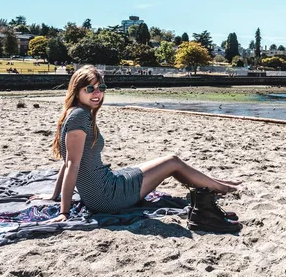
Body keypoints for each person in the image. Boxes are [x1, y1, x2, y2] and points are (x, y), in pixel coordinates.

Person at [37, 65, 240, 223]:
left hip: (105, 185)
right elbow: (72, 164)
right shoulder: (80, 116)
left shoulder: (74, 114)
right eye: (90, 88)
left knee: (160, 163)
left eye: (101, 88)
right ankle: (223, 188)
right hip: (107, 197)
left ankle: (220, 183)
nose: (97, 93)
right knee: (172, 161)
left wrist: (54, 196)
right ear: (77, 90)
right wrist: (64, 211)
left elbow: (67, 162)